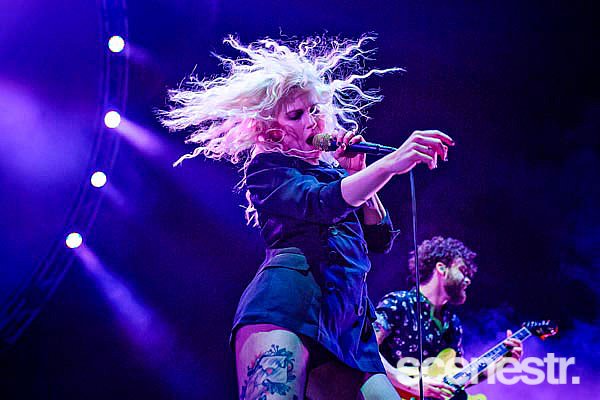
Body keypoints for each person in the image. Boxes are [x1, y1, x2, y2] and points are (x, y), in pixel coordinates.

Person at [160, 35, 454, 399]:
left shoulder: (336, 176)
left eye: (314, 110)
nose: (313, 122)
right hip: (286, 310)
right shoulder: (269, 170)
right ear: (271, 130)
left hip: (345, 328)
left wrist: (357, 174)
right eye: (296, 115)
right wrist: (390, 164)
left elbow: (378, 239)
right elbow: (320, 203)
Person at [374, 236, 523, 399]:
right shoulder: (399, 303)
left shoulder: (453, 323)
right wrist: (412, 385)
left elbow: (455, 381)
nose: (468, 280)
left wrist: (502, 362)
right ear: (441, 268)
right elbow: (368, 350)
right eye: (463, 271)